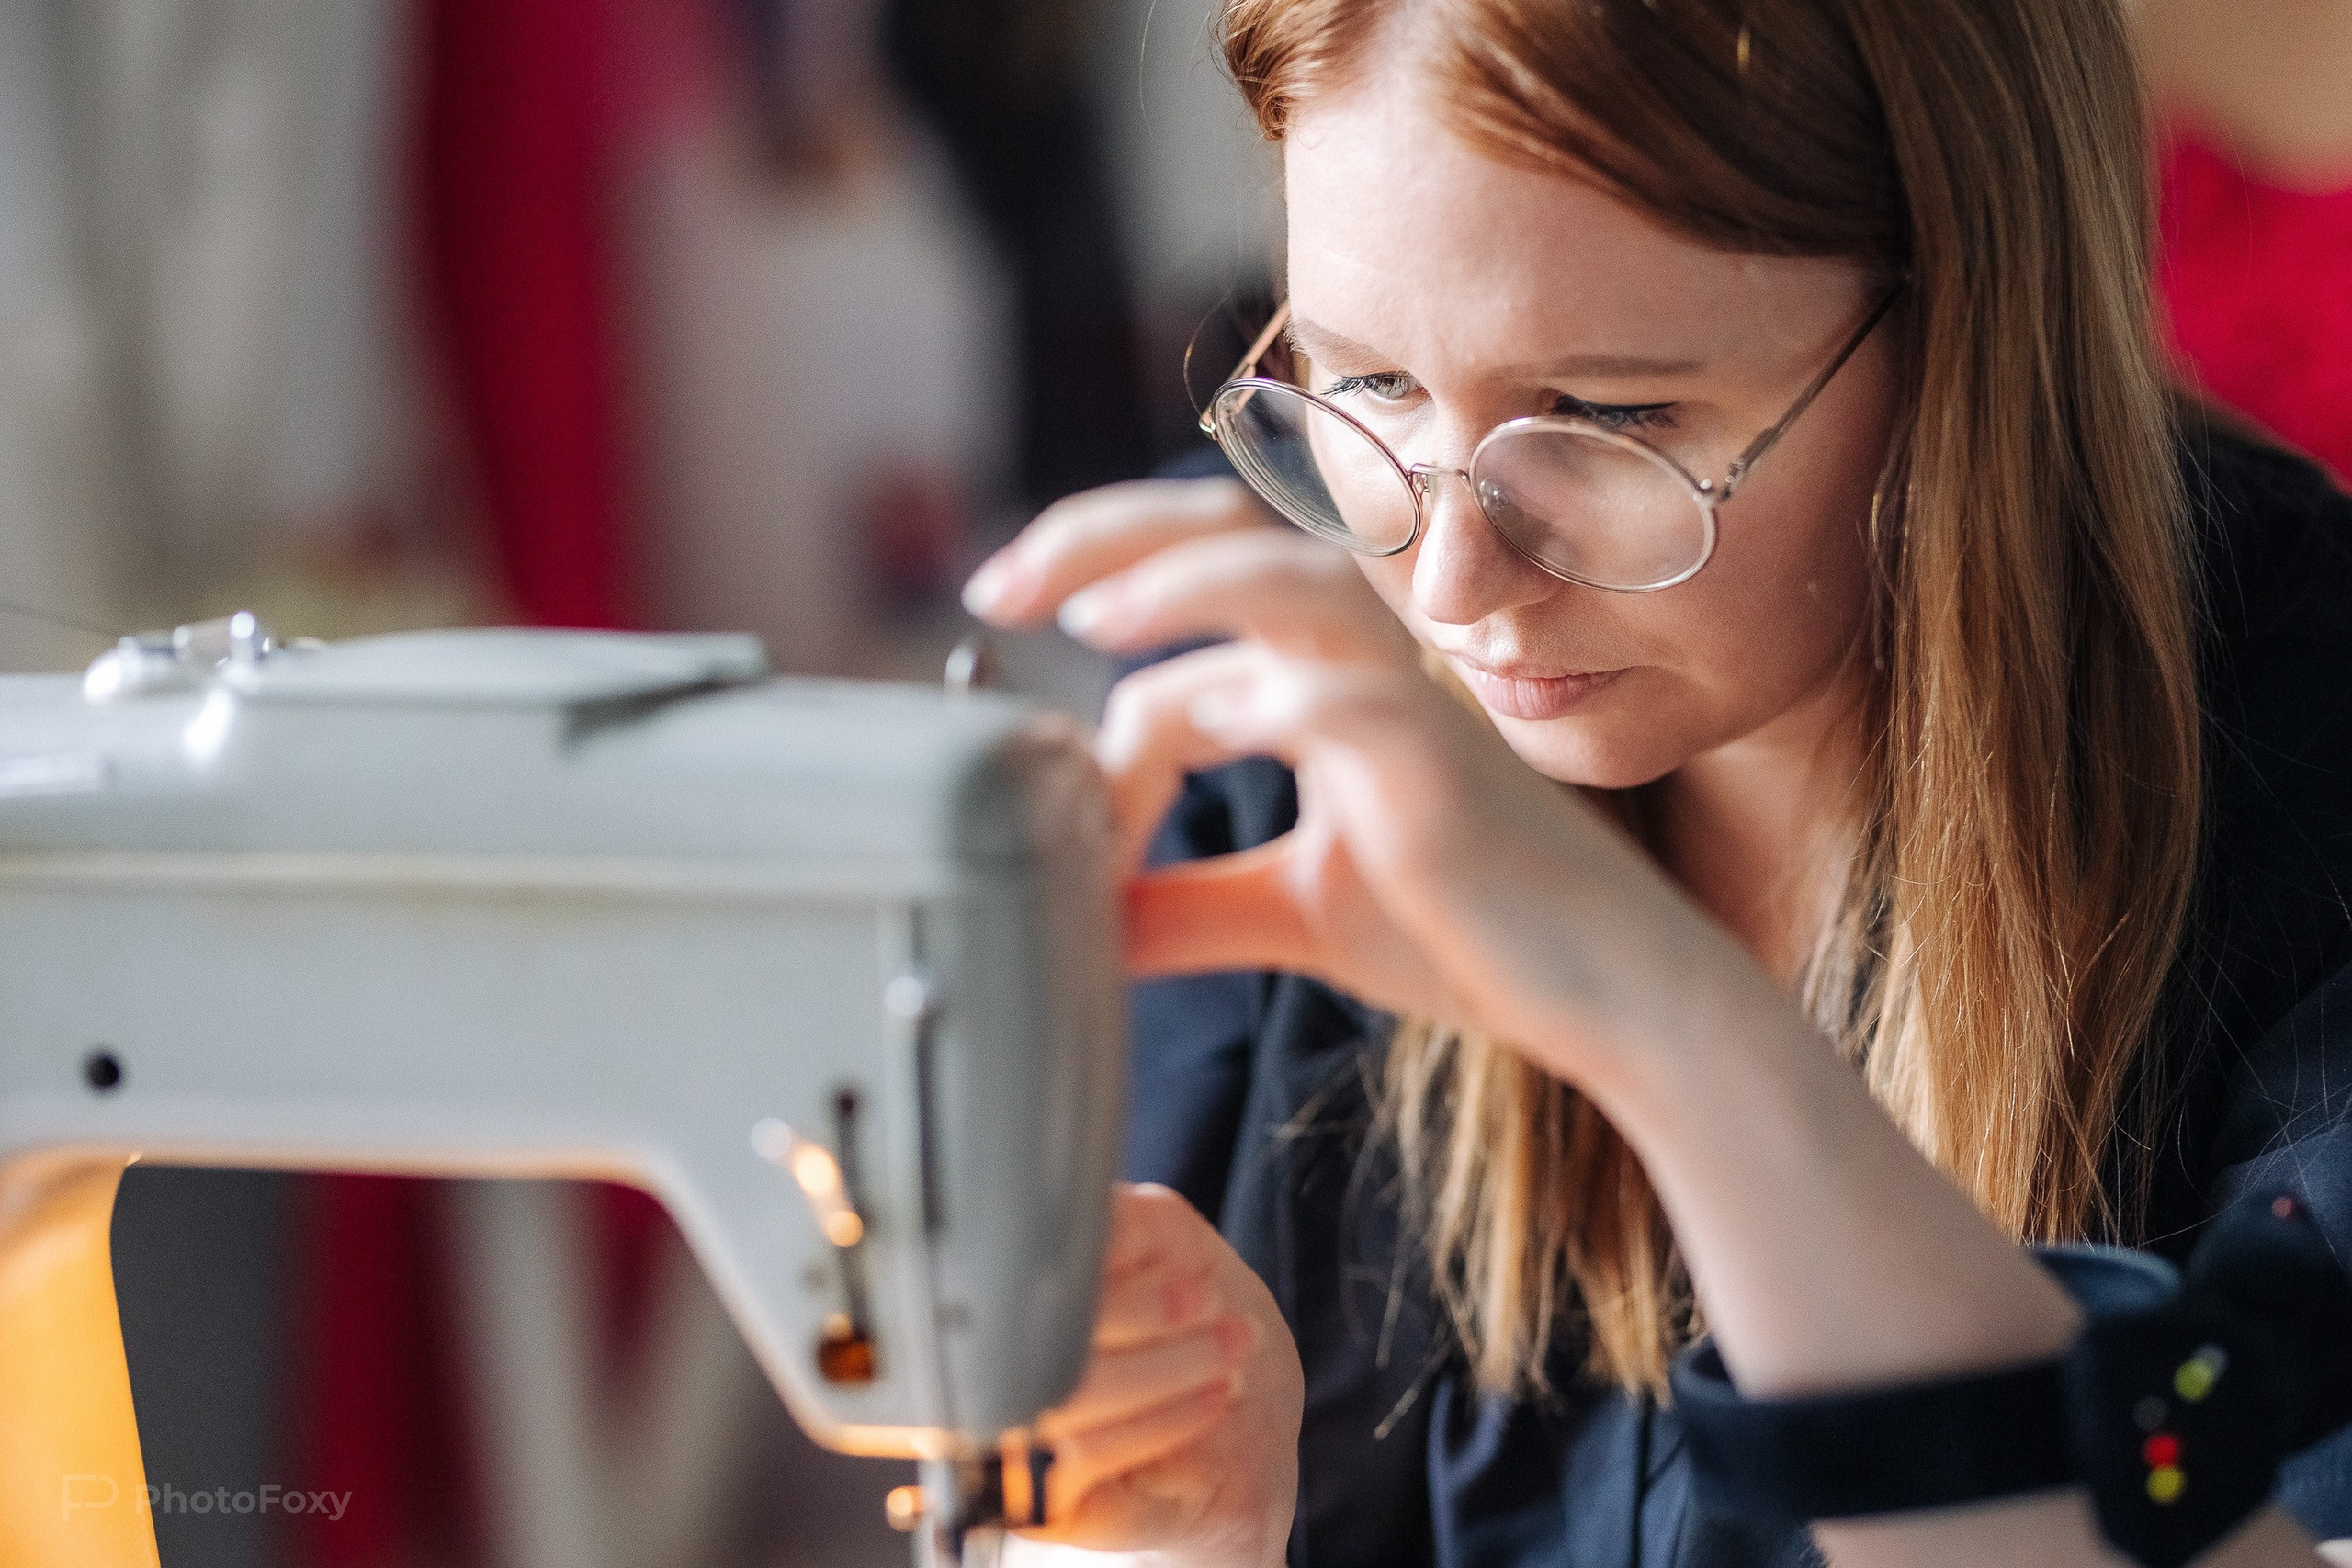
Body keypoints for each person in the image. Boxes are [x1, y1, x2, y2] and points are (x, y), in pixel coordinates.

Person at [959, 2, 2352, 1565]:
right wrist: (1186, 1532)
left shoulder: (2307, 793)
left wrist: (1659, 1017)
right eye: (1370, 384)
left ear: (1970, 330)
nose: (1452, 584)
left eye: (1612, 417)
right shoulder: (1263, 690)